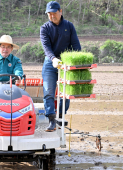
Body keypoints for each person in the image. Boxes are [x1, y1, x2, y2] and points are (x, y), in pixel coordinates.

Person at [40, 1, 81, 132]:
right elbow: (46, 47)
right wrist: (53, 59)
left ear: (60, 11)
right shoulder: (45, 28)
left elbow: (76, 46)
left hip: (66, 64)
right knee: (48, 92)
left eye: (54, 13)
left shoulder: (69, 26)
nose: (52, 16)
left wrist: (75, 61)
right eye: (49, 14)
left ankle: (60, 116)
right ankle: (51, 120)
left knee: (66, 93)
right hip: (50, 63)